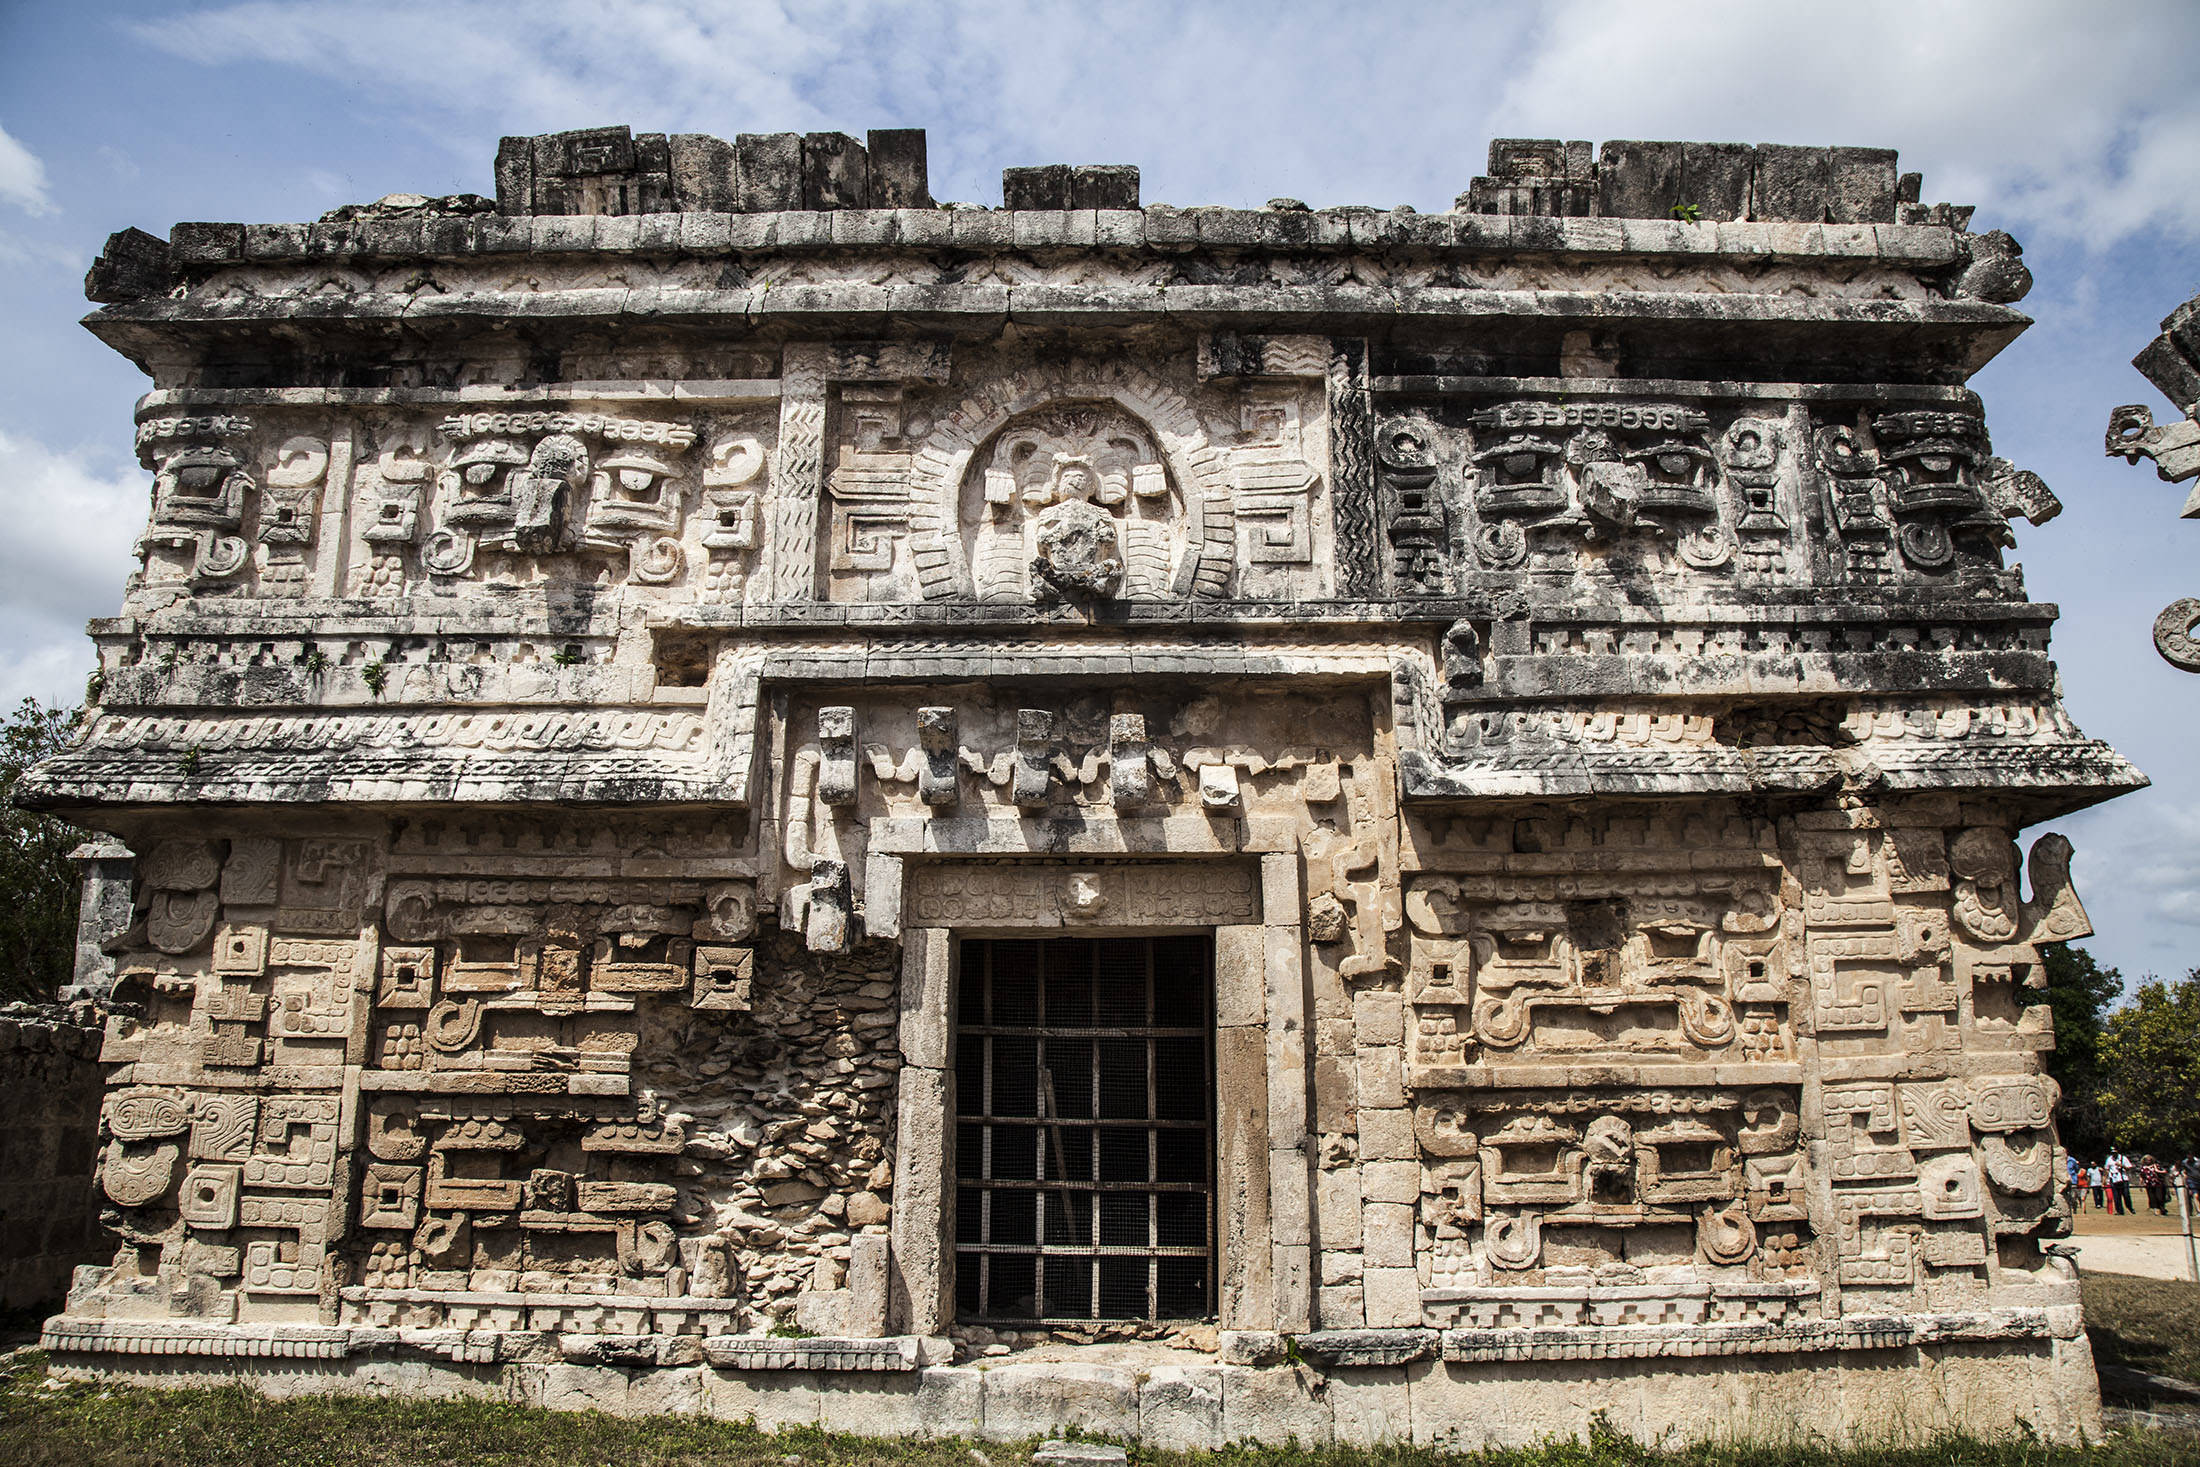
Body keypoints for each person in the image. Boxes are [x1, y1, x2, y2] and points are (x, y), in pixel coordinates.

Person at [2109, 1151, 2136, 1216]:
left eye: (2115, 1153)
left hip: (2123, 1179)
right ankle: (2119, 1210)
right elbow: (2107, 1169)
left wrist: (2122, 1166)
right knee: (2116, 1196)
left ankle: (2130, 1208)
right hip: (2114, 1180)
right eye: (2112, 1153)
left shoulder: (2123, 1158)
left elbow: (2129, 1168)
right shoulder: (2109, 1159)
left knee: (2126, 1195)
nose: (2113, 1154)